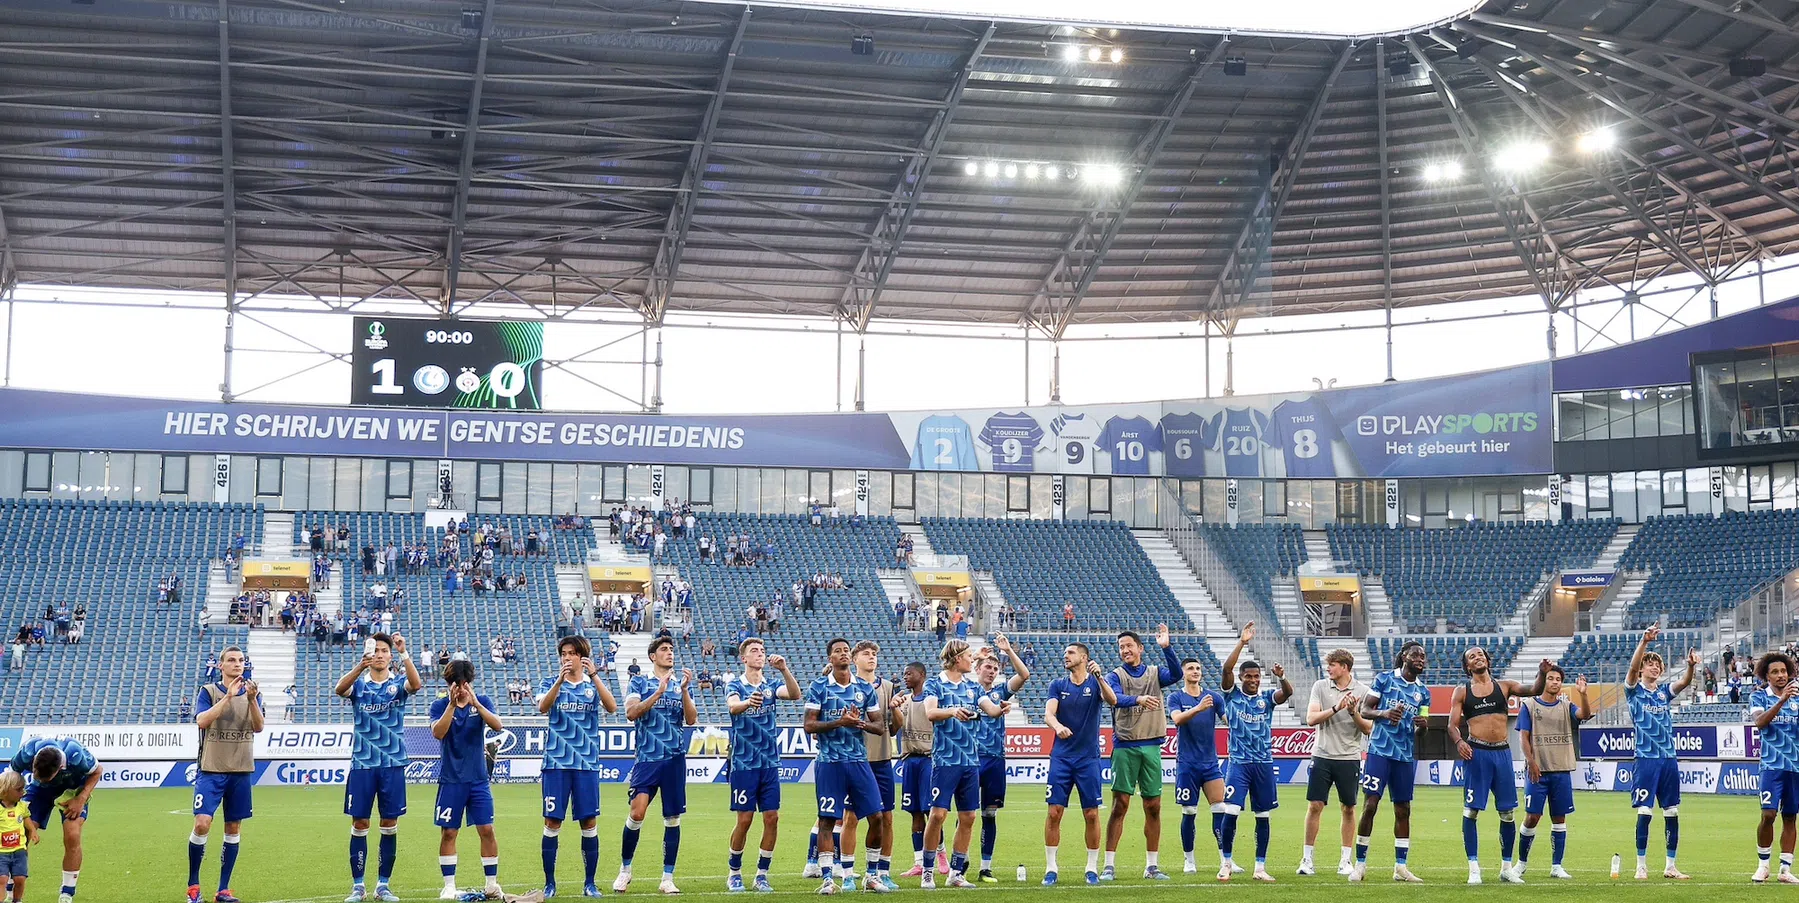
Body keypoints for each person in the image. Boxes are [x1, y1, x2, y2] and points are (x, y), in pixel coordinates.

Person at [1447, 647, 1548, 884]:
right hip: (1477, 754)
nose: (1477, 657)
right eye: (1471, 657)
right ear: (1467, 666)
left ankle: (1506, 868)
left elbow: (1534, 689)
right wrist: (1459, 741)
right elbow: (1451, 725)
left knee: (1507, 813)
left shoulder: (1505, 686)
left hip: (1502, 753)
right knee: (1472, 811)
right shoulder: (1462, 692)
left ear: (1487, 660)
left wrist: (1542, 673)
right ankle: (1474, 868)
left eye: (1480, 654)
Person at [335, 633, 423, 903]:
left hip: (392, 764)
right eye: (377, 651)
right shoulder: (359, 686)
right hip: (362, 764)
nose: (381, 655)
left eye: (385, 651)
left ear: (390, 655)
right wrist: (359, 666)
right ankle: (358, 886)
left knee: (389, 823)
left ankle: (383, 885)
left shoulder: (398, 684)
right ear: (369, 654)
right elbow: (340, 689)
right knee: (360, 822)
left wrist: (404, 651)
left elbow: (417, 684)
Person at [538, 636, 620, 898]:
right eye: (563, 653)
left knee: (589, 821)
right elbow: (542, 707)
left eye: (572, 653)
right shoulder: (551, 682)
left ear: (582, 656)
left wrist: (594, 675)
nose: (566, 658)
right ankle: (550, 884)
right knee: (552, 821)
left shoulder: (592, 685)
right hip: (556, 763)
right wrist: (560, 682)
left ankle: (590, 883)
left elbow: (612, 707)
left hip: (586, 764)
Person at [802, 638, 886, 895]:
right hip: (830, 763)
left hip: (859, 762)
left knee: (877, 817)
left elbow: (879, 726)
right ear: (830, 658)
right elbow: (809, 725)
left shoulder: (864, 687)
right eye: (837, 651)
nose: (843, 654)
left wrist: (857, 723)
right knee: (828, 820)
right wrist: (839, 722)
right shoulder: (818, 687)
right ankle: (828, 878)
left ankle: (871, 875)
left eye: (846, 651)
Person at [616, 637, 698, 895]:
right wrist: (658, 692)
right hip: (647, 759)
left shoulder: (680, 684)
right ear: (652, 656)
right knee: (637, 813)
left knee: (672, 818)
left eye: (672, 650)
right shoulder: (639, 681)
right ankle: (625, 870)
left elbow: (692, 719)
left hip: (674, 758)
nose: (669, 653)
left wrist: (684, 690)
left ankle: (667, 877)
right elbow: (631, 712)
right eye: (664, 649)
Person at [1101, 625, 1183, 881]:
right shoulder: (1115, 674)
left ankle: (1152, 866)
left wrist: (1167, 647)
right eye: (1121, 647)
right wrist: (1138, 700)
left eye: (1129, 646)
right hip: (1126, 746)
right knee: (1120, 805)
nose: (1125, 650)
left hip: (1151, 746)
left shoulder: (1154, 673)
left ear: (1140, 648)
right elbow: (1114, 698)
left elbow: (1177, 674)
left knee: (1154, 806)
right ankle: (1109, 865)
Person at [921, 640, 1004, 890]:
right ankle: (927, 871)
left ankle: (956, 873)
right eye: (969, 656)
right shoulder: (935, 684)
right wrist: (953, 711)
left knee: (968, 817)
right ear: (957, 658)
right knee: (938, 815)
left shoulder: (974, 687)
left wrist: (1002, 709)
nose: (973, 660)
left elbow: (991, 710)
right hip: (946, 762)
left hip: (970, 762)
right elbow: (931, 713)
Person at [1216, 623, 1293, 883]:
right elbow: (1226, 668)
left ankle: (1260, 867)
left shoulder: (1267, 699)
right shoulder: (1231, 696)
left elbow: (1288, 693)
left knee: (1263, 815)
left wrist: (1282, 676)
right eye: (1248, 676)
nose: (1253, 680)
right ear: (1241, 678)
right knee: (1231, 811)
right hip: (1238, 763)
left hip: (1263, 763)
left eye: (1256, 677)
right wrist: (1242, 642)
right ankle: (1226, 862)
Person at [188, 646, 265, 903]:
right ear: (220, 665)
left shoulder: (253, 693)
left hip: (241, 771)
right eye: (231, 660)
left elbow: (259, 727)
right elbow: (202, 721)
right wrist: (229, 697)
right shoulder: (208, 691)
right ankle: (194, 886)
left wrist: (251, 699)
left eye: (241, 660)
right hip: (211, 770)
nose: (237, 664)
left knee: (233, 828)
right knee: (202, 824)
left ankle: (223, 889)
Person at [1349, 640, 1430, 883]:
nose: (1420, 659)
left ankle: (1401, 868)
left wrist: (1423, 727)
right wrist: (1384, 713)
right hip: (1379, 752)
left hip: (1404, 756)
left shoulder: (1424, 692)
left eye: (1423, 657)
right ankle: (1360, 864)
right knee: (1370, 805)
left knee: (1403, 809)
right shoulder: (1384, 679)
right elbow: (1365, 710)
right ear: (1404, 656)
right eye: (1416, 655)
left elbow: (1421, 731)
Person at [724, 639, 801, 893]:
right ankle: (734, 872)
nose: (760, 654)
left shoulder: (772, 684)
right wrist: (748, 703)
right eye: (754, 651)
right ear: (743, 658)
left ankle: (762, 874)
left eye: (762, 651)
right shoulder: (735, 684)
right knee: (744, 819)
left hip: (768, 763)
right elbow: (733, 706)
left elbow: (794, 694)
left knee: (772, 818)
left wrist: (784, 669)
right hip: (744, 764)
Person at [1623, 625, 1697, 881]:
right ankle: (1641, 865)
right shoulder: (1633, 691)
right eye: (1650, 664)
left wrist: (1690, 666)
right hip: (1646, 759)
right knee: (1644, 811)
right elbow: (1632, 670)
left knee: (1672, 812)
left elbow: (1685, 682)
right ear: (1643, 668)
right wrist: (1644, 643)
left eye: (1658, 665)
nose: (1655, 667)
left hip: (1668, 759)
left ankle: (1670, 866)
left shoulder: (1664, 693)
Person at [1041, 643, 1117, 886]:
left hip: (1088, 759)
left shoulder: (1096, 683)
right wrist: (1057, 726)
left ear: (1084, 657)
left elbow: (1112, 700)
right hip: (1061, 758)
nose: (1066, 656)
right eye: (1065, 653)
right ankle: (1051, 868)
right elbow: (1048, 714)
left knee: (1092, 814)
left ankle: (1091, 868)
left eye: (1071, 653)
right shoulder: (1058, 685)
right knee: (1054, 812)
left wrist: (1100, 676)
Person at [430, 658, 505, 900]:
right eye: (455, 683)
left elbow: (497, 725)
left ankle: (492, 883)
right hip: (451, 779)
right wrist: (451, 706)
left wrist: (475, 704)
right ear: (449, 684)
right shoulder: (439, 705)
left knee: (487, 829)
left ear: (469, 683)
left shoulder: (481, 701)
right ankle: (449, 885)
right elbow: (438, 733)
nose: (460, 688)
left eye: (463, 683)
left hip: (478, 780)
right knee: (449, 832)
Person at [1300, 647, 1372, 877]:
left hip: (1349, 757)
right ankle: (1307, 859)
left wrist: (1353, 712)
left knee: (1348, 808)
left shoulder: (1363, 691)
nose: (1328, 668)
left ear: (1344, 667)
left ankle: (1345, 860)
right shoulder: (1320, 687)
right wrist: (1336, 707)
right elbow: (1311, 719)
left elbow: (1368, 728)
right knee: (1314, 806)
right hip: (1321, 755)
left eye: (1332, 664)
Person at [836, 641, 902, 892]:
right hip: (856, 761)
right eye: (866, 654)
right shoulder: (847, 687)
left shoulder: (887, 687)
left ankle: (881, 872)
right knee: (851, 818)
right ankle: (848, 874)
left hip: (883, 760)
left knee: (886, 818)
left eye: (875, 654)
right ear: (854, 659)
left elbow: (894, 729)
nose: (872, 657)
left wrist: (897, 711)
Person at [1517, 663, 1591, 881]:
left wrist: (1583, 694)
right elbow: (1523, 737)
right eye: (1551, 678)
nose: (1554, 682)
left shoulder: (1567, 706)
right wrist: (1531, 762)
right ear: (1544, 681)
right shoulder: (1529, 705)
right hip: (1537, 771)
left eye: (1558, 679)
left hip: (1561, 771)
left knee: (1559, 819)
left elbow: (1584, 714)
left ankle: (1557, 866)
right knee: (1532, 817)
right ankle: (1520, 864)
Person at [8, 736, 99, 903]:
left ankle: (67, 892)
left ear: (60, 768)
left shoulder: (76, 755)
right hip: (39, 792)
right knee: (20, 833)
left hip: (72, 790)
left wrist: (81, 799)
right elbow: (12, 773)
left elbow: (97, 771)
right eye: (34, 773)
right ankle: (11, 888)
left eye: (43, 777)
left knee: (72, 834)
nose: (36, 776)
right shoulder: (28, 751)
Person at [973, 636, 1029, 882]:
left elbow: (1024, 675)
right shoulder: (966, 689)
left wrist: (1007, 651)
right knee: (966, 814)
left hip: (995, 759)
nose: (992, 671)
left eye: (995, 669)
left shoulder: (1000, 691)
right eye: (988, 667)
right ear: (977, 669)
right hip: (971, 759)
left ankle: (986, 867)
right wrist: (977, 654)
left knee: (989, 814)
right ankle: (959, 863)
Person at [1166, 657, 1227, 876]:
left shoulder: (1213, 698)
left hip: (1210, 763)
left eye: (1198, 668)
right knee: (1189, 811)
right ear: (1183, 673)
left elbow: (1227, 719)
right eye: (1191, 668)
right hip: (1187, 764)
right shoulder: (1175, 697)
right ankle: (1189, 860)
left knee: (1220, 809)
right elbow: (1177, 719)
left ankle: (1225, 860)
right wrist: (1199, 708)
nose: (1195, 671)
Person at [891, 662, 942, 879]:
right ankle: (918, 861)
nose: (905, 677)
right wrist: (893, 708)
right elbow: (895, 728)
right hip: (910, 760)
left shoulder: (933, 701)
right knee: (914, 812)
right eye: (904, 674)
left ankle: (941, 856)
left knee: (932, 812)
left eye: (909, 673)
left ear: (921, 675)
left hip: (929, 759)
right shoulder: (905, 702)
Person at [1752, 651, 1799, 884]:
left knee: (1790, 817)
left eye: (1783, 671)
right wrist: (1782, 701)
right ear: (1766, 676)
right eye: (1775, 672)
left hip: (1795, 767)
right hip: (1771, 767)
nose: (1781, 675)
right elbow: (1760, 723)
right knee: (1768, 814)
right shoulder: (1759, 697)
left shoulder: (1798, 699)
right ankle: (1763, 866)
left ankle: (1785, 869)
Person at [0, 771, 35, 903]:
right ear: (6, 790)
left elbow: (26, 818)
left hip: (19, 849)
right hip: (1, 852)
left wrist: (33, 831)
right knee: (2, 879)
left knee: (20, 878)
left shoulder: (21, 806)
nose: (23, 792)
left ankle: (17, 900)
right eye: (19, 789)